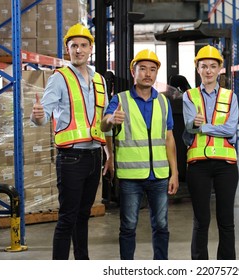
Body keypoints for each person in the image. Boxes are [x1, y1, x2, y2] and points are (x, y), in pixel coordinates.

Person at [30, 23, 114, 260]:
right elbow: (43, 115)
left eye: (83, 45)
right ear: (67, 49)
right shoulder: (59, 78)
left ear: (90, 49)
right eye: (74, 45)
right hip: (71, 158)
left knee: (83, 215)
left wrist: (109, 155)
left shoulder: (100, 80)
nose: (79, 50)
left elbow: (103, 121)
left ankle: (82, 263)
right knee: (68, 217)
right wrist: (37, 117)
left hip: (94, 156)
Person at [100, 49, 179, 260]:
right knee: (128, 226)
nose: (148, 74)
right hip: (130, 178)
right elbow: (104, 125)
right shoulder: (120, 100)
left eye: (152, 70)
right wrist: (110, 120)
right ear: (133, 71)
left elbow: (169, 138)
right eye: (142, 69)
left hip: (160, 176)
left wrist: (175, 173)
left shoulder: (163, 102)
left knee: (161, 225)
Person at [182, 45, 239, 260]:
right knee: (201, 220)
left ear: (219, 69)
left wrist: (203, 126)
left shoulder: (230, 96)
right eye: (204, 66)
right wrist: (204, 127)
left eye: (212, 66)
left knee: (226, 220)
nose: (208, 71)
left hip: (226, 165)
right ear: (197, 68)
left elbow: (231, 129)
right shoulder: (189, 96)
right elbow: (189, 128)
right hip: (198, 165)